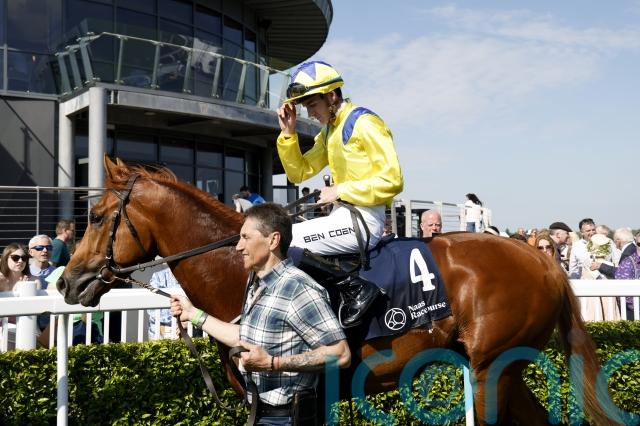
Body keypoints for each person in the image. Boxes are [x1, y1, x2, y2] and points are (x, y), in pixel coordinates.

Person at [170, 203, 350, 425]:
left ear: (273, 240)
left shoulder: (299, 288)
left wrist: (273, 363)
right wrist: (193, 314)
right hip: (259, 414)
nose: (238, 247)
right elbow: (245, 336)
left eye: (246, 237)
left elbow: (341, 354)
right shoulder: (257, 285)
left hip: (286, 419)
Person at [276, 61, 403, 326]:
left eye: (313, 105)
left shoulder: (365, 123)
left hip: (366, 220)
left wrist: (340, 190)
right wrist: (288, 134)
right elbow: (299, 172)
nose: (310, 113)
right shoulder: (329, 132)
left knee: (286, 240)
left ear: (331, 96)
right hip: (343, 217)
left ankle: (356, 288)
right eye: (306, 107)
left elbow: (392, 180)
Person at [147, 267, 182, 340]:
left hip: (188, 330)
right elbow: (153, 309)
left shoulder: (193, 276)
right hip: (160, 332)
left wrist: (189, 321)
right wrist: (182, 319)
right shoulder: (158, 277)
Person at [615, 237, 640, 320]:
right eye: (639, 244)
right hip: (633, 311)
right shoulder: (627, 262)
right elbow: (623, 290)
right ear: (635, 244)